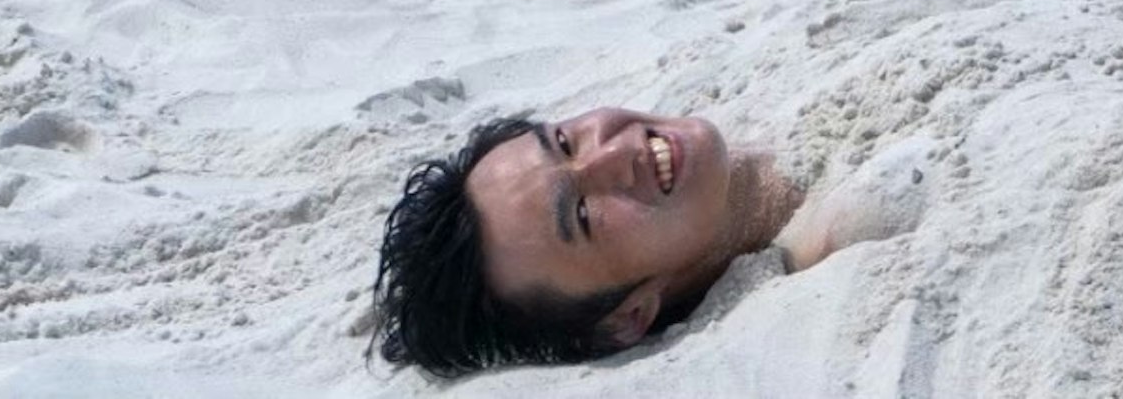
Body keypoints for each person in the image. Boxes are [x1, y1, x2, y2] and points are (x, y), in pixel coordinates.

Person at [373, 105, 918, 375]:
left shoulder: (791, 125)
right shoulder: (855, 221)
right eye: (582, 215)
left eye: (563, 141)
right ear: (628, 316)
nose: (612, 154)